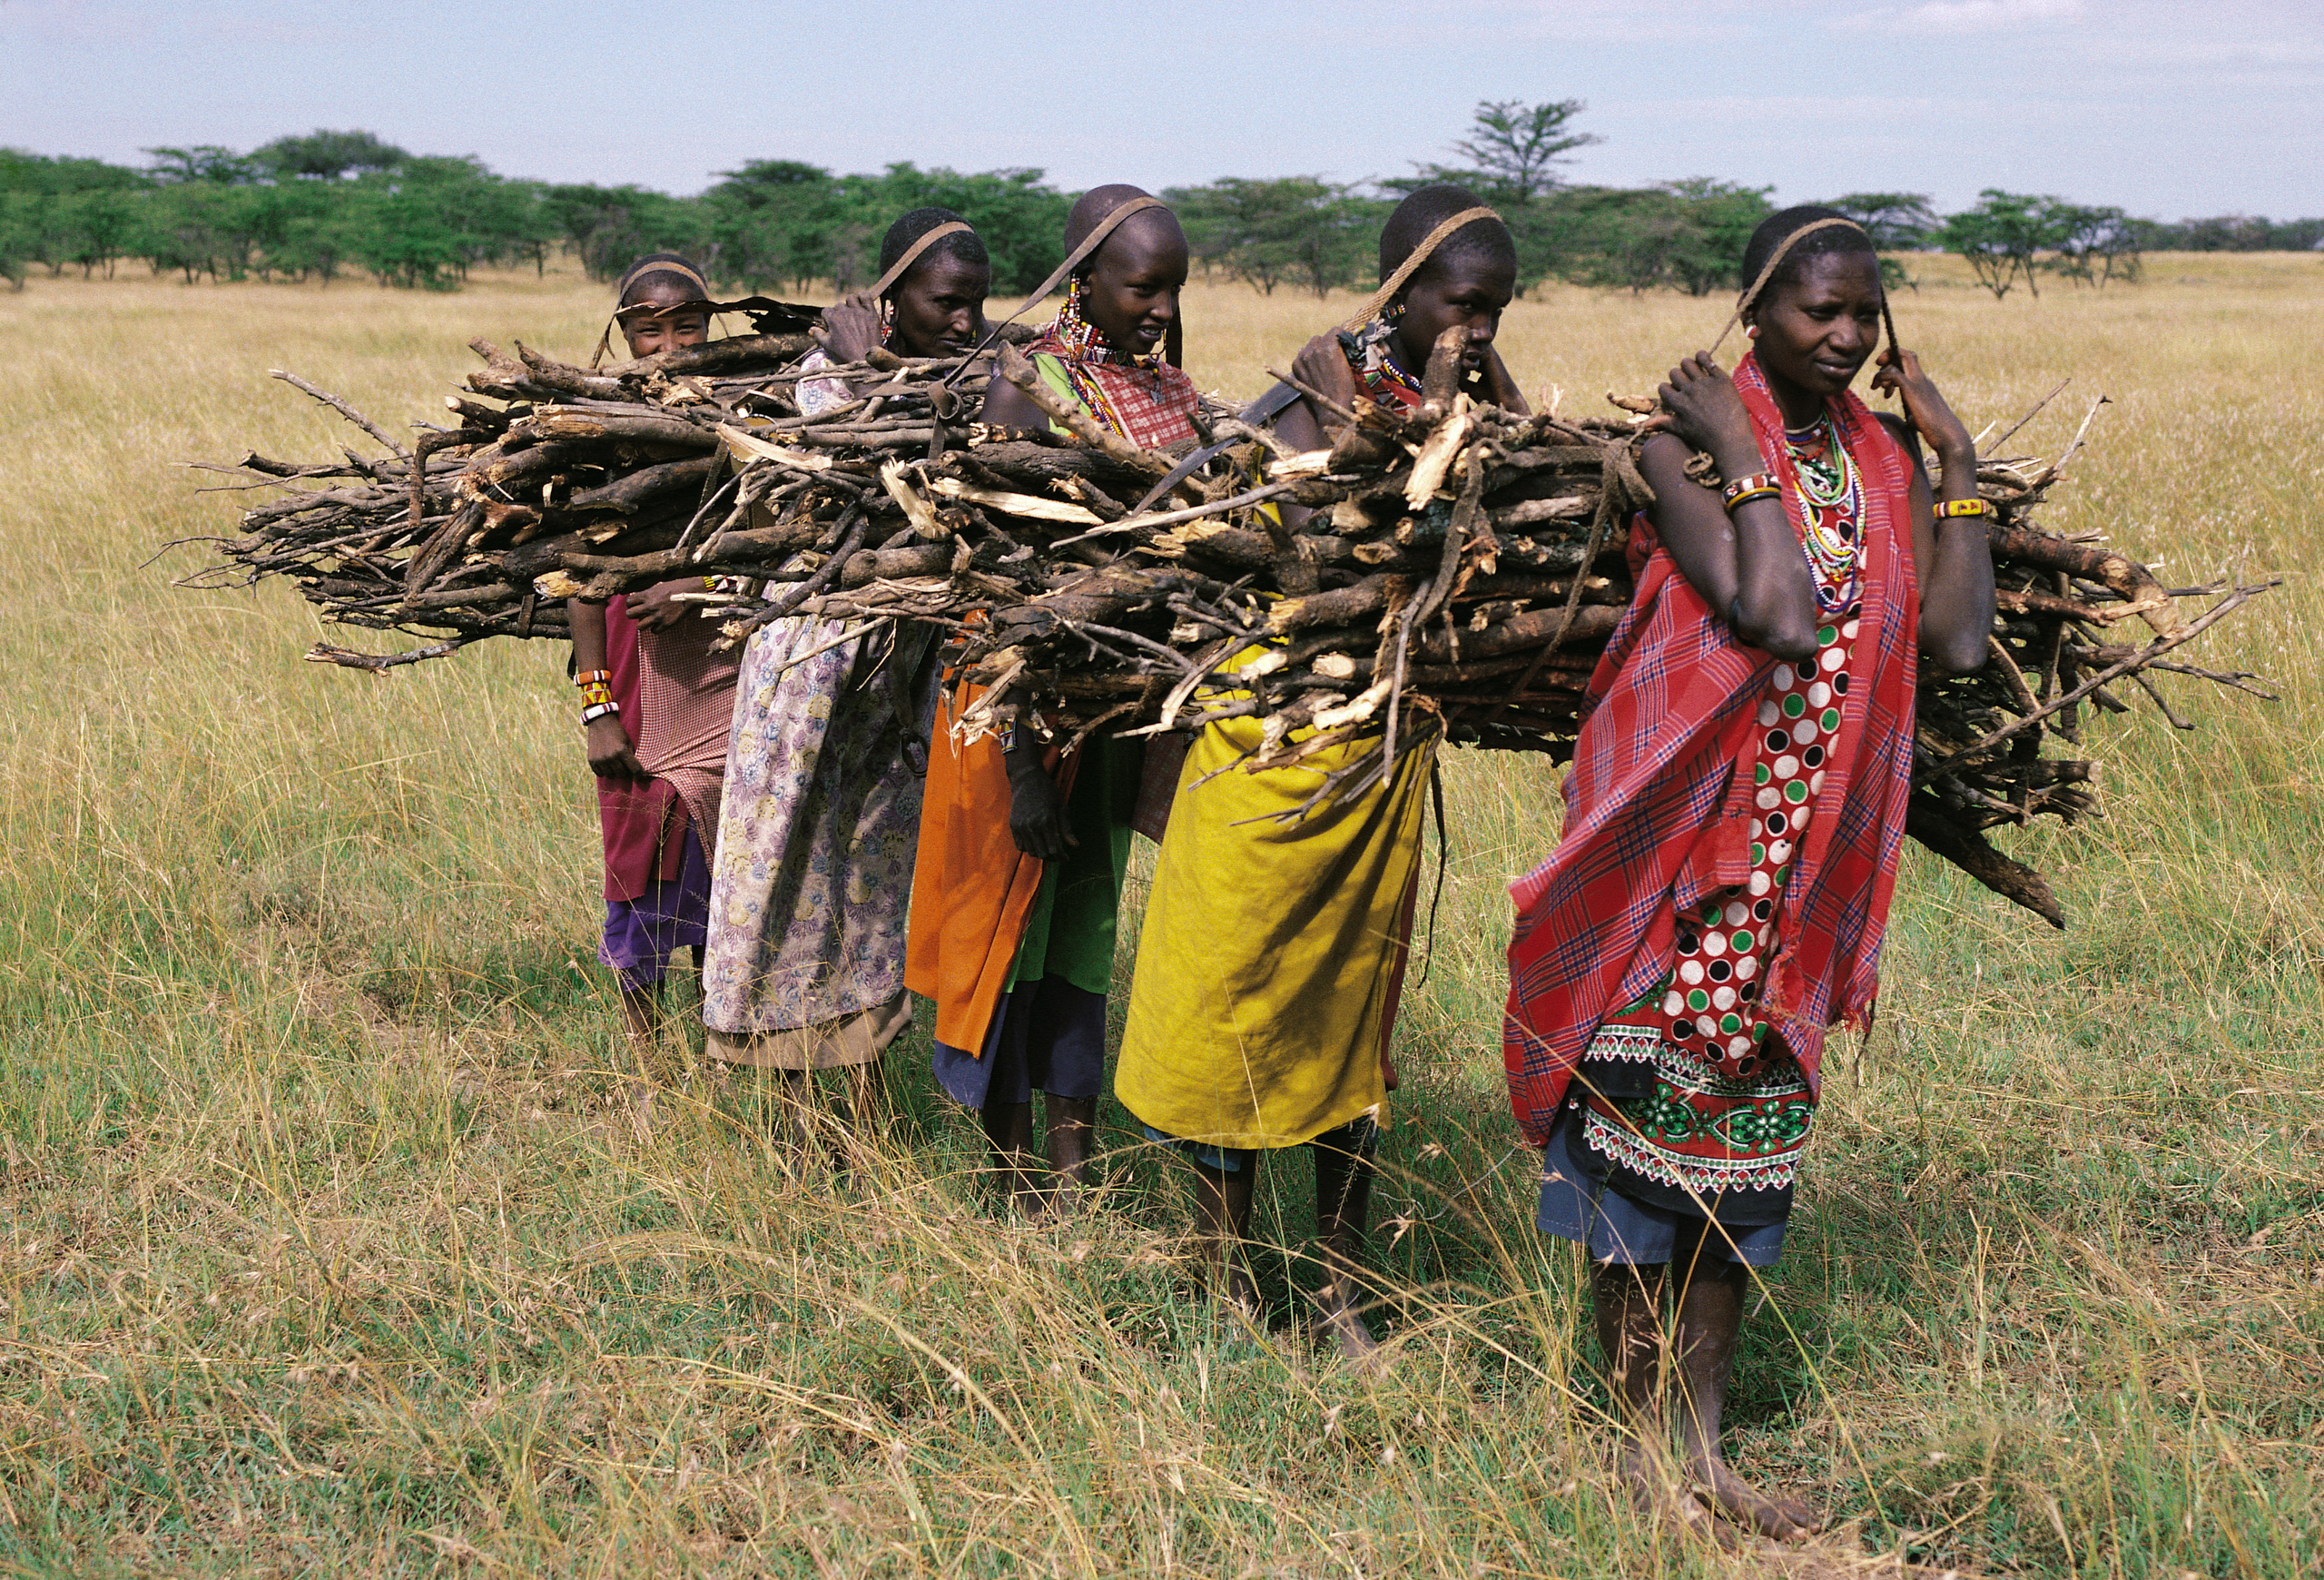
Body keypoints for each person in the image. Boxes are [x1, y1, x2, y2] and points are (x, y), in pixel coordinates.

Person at [1502, 208, 1994, 1540]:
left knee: (1739, 1178)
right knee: (1642, 1169)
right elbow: (1774, 614)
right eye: (1813, 313)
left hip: (1795, 887)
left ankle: (1702, 1453)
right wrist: (1736, 450)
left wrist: (1951, 461)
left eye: (1862, 315)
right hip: (1681, 870)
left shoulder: (1887, 460)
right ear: (1756, 311)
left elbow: (1952, 640)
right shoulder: (1679, 451)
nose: (1841, 338)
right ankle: (1627, 1461)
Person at [1111, 191, 1526, 1362]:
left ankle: (1342, 1286)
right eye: (1462, 304)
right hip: (1261, 754)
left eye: (1499, 308)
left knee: (1350, 1021)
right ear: (1398, 293)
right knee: (1232, 1008)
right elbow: (1199, 531)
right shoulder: (1300, 400)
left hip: (1378, 762)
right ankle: (1221, 1275)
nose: (1481, 325)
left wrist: (1481, 381)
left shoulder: (1463, 404)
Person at [910, 185, 1197, 1212]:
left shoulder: (1169, 391)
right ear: (1083, 279)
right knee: (1008, 936)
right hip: (1013, 716)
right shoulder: (1025, 388)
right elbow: (991, 587)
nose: (1158, 307)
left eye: (1171, 287)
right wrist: (1024, 768)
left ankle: (1070, 1171)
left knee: (1080, 935)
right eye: (1140, 287)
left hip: (1109, 715)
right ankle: (1009, 1175)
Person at [695, 210, 988, 1150]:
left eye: (976, 303)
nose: (964, 320)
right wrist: (866, 371)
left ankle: (859, 1120)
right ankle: (790, 1131)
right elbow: (860, 461)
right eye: (947, 302)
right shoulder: (821, 384)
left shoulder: (957, 384)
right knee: (790, 877)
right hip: (808, 676)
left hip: (895, 681)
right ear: (890, 299)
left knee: (869, 885)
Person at [569, 253, 743, 1115]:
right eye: (650, 327)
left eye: (687, 327)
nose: (669, 344)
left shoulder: (753, 422)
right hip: (636, 675)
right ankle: (644, 1057)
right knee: (639, 845)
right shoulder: (598, 429)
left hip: (728, 668)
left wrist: (701, 588)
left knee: (730, 853)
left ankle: (725, 1044)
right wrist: (598, 708)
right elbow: (578, 574)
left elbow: (781, 545)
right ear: (623, 333)